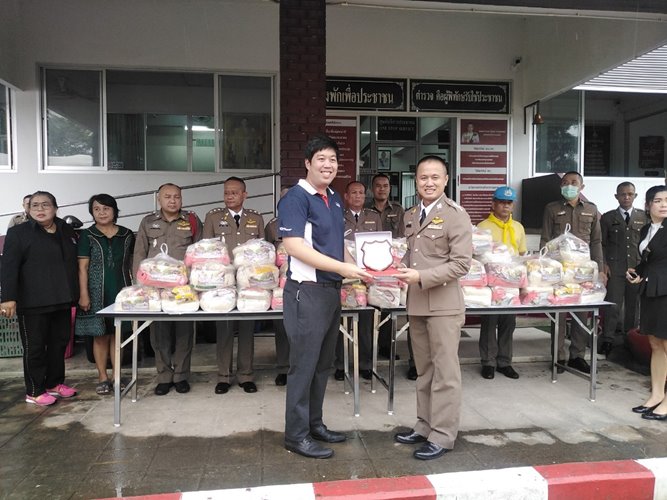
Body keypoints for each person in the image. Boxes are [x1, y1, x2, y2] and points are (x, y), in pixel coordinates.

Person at [279, 134, 372, 459]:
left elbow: (337, 246)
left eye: (333, 159)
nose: (328, 165)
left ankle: (314, 425)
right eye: (321, 158)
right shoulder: (296, 198)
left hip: (332, 292)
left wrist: (363, 267)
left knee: (322, 365)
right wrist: (344, 269)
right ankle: (296, 435)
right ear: (308, 163)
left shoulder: (333, 198)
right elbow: (295, 247)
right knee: (303, 366)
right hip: (307, 293)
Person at [393, 155, 472, 461]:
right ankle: (424, 426)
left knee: (445, 373)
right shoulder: (411, 215)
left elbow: (461, 264)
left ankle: (443, 434)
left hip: (444, 307)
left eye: (435, 177)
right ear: (416, 180)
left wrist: (421, 277)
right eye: (423, 177)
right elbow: (409, 255)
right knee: (424, 371)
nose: (429, 182)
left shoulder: (455, 215)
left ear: (446, 180)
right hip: (417, 305)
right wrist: (389, 266)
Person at [0, 191, 79, 406]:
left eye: (45, 204)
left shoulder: (65, 229)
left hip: (62, 298)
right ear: (28, 209)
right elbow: (8, 267)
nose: (40, 209)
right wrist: (8, 298)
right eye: (35, 205)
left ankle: (54, 383)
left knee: (58, 344)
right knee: (35, 347)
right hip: (33, 301)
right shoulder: (19, 232)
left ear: (55, 208)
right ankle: (34, 391)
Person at [133, 183, 202, 396]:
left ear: (181, 199)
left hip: (183, 288)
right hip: (155, 288)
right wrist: (139, 285)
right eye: (167, 196)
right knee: (159, 334)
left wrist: (197, 283)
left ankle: (181, 376)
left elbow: (199, 252)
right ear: (159, 199)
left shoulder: (191, 220)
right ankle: (163, 376)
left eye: (176, 197)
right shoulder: (148, 222)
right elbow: (139, 252)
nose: (172, 201)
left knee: (184, 333)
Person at [539, 171, 606, 374]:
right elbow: (545, 239)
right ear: (561, 186)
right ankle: (558, 357)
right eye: (565, 182)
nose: (569, 186)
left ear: (581, 187)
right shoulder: (552, 208)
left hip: (584, 270)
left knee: (581, 313)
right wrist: (545, 267)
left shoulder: (591, 209)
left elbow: (596, 241)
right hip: (559, 270)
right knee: (558, 314)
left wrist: (600, 269)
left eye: (574, 182)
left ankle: (577, 356)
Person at [203, 176, 265, 395]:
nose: (229, 196)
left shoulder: (256, 218)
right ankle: (224, 376)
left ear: (244, 195)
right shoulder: (213, 217)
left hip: (249, 281)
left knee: (247, 328)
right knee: (225, 328)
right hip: (223, 281)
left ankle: (246, 375)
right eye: (226, 193)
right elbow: (206, 251)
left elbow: (262, 251)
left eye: (234, 193)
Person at [76, 194, 135, 395]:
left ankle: (117, 375)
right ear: (92, 212)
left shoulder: (127, 234)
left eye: (106, 208)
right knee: (100, 335)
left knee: (118, 335)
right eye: (97, 209)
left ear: (114, 211)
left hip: (122, 290)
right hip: (95, 291)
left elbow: (132, 264)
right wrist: (83, 294)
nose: (101, 213)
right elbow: (82, 267)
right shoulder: (87, 235)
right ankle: (102, 377)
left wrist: (136, 291)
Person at [366, 174, 416, 379]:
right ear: (372, 188)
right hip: (370, 262)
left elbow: (403, 237)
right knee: (371, 309)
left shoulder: (398, 210)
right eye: (378, 186)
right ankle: (369, 352)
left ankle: (386, 347)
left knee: (390, 304)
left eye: (385, 186)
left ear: (389, 188)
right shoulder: (366, 209)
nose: (382, 189)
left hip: (393, 263)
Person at [476, 186, 526, 380]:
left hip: (511, 284)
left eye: (509, 203)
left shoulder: (518, 227)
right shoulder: (483, 227)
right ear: (493, 204)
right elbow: (477, 255)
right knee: (490, 322)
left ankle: (505, 362)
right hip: (491, 283)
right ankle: (488, 362)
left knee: (508, 322)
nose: (505, 206)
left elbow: (521, 255)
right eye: (501, 202)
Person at [334, 181, 382, 382]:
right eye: (353, 192)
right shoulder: (338, 216)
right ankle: (340, 364)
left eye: (361, 193)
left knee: (366, 323)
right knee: (340, 323)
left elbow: (381, 244)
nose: (358, 196)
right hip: (343, 276)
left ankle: (365, 364)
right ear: (346, 196)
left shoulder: (374, 217)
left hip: (366, 277)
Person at [627, 185, 667, 421]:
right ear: (648, 205)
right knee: (655, 344)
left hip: (666, 291)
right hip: (650, 290)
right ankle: (656, 395)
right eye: (658, 200)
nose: (664, 205)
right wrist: (637, 272)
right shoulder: (646, 229)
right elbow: (649, 260)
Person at [599, 182, 646, 356]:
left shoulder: (644, 217)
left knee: (634, 306)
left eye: (630, 194)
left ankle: (630, 339)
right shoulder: (608, 218)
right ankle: (608, 339)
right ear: (616, 196)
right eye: (622, 194)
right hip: (615, 268)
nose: (626, 197)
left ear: (635, 196)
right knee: (613, 305)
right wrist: (604, 264)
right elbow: (601, 244)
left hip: (636, 268)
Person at [265, 186, 291, 387]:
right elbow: (264, 254)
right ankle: (284, 368)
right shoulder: (273, 226)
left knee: (305, 328)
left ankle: (303, 367)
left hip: (307, 282)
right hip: (281, 285)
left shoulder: (311, 222)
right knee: (282, 327)